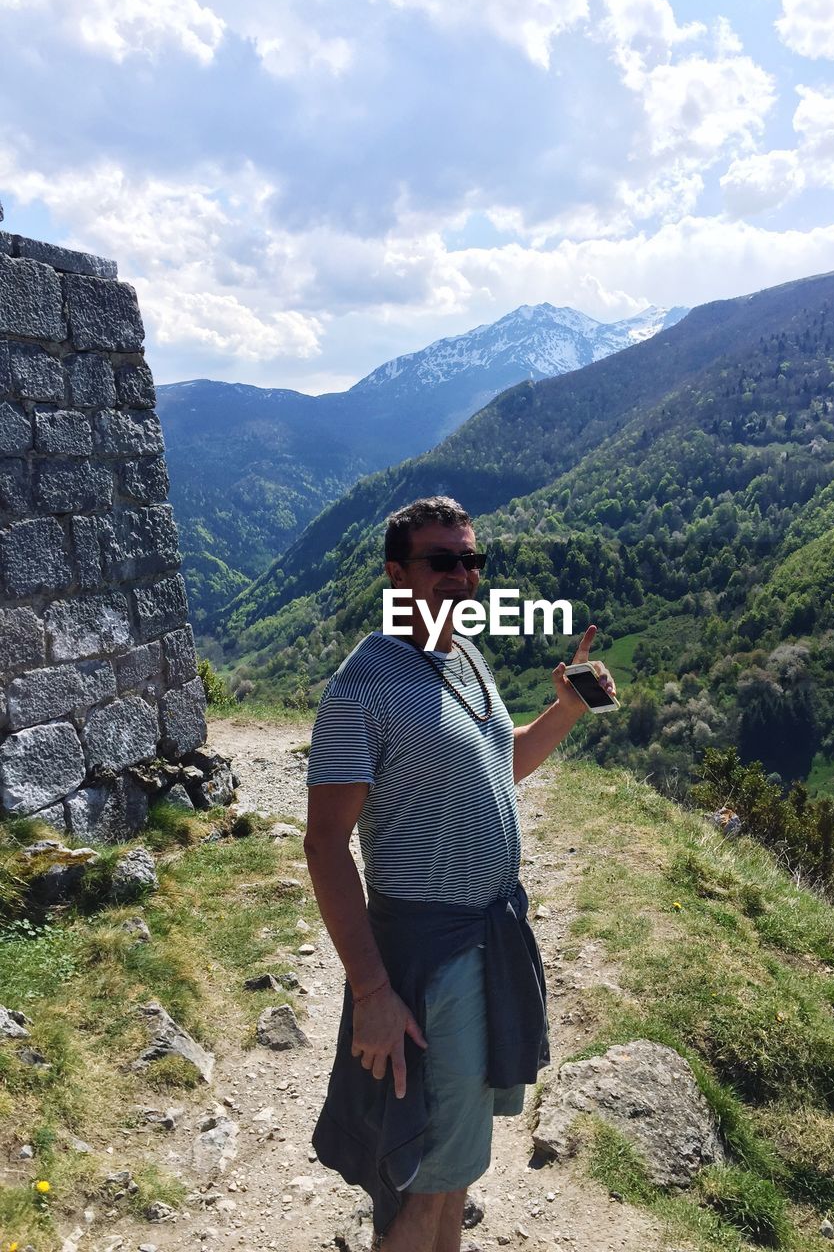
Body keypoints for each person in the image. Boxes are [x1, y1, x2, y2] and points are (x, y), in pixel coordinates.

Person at [304, 496, 616, 1252]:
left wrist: (566, 709)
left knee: (454, 1165)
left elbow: (496, 766)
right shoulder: (365, 683)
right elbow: (324, 845)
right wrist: (373, 991)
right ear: (395, 572)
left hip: (487, 944)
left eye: (470, 560)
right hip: (429, 956)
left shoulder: (464, 657)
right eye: (440, 561)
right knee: (422, 1178)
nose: (460, 576)